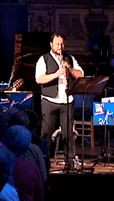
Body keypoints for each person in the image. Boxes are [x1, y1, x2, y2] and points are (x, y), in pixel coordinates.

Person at [35, 33, 84, 168]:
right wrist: (56, 74)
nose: (60, 46)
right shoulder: (43, 59)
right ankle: (43, 163)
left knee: (68, 134)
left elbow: (81, 74)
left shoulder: (70, 58)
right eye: (57, 44)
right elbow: (39, 79)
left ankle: (70, 163)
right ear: (51, 45)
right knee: (46, 133)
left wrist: (69, 68)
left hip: (67, 101)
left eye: (62, 44)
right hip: (50, 101)